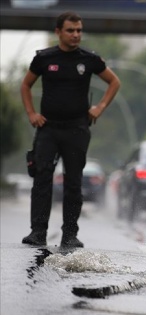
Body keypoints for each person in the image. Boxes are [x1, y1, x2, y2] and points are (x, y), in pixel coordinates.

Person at [20, 11, 121, 248]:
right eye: (70, 30)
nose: (76, 35)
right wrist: (31, 114)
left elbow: (114, 81)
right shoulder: (44, 58)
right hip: (48, 129)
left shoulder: (89, 59)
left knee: (74, 182)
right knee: (42, 178)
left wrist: (100, 107)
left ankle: (70, 234)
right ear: (58, 32)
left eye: (79, 31)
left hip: (76, 129)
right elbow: (26, 85)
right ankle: (38, 232)